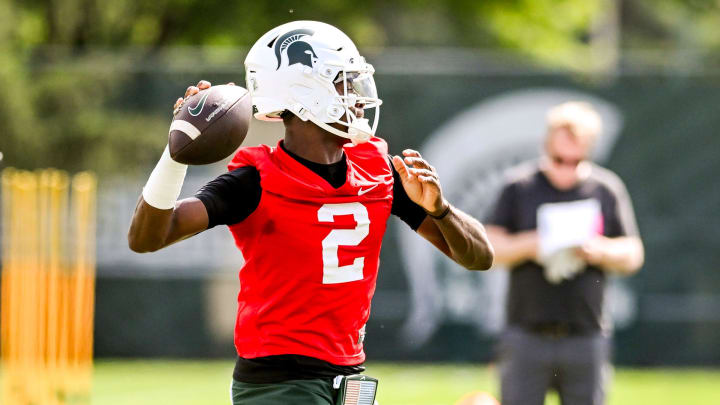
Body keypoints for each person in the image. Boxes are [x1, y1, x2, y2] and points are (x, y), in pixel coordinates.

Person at [128, 21, 494, 405]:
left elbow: (479, 257)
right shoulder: (255, 181)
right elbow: (147, 237)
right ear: (303, 91)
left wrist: (440, 210)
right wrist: (176, 154)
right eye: (343, 83)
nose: (356, 97)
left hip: (349, 375)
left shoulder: (381, 170)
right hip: (279, 380)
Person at [485, 101, 644, 405]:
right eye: (559, 159)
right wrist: (535, 243)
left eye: (576, 160)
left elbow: (633, 253)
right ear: (546, 145)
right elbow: (489, 249)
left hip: (586, 335)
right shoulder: (519, 187)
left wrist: (599, 250)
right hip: (526, 334)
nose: (567, 169)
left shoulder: (606, 188)